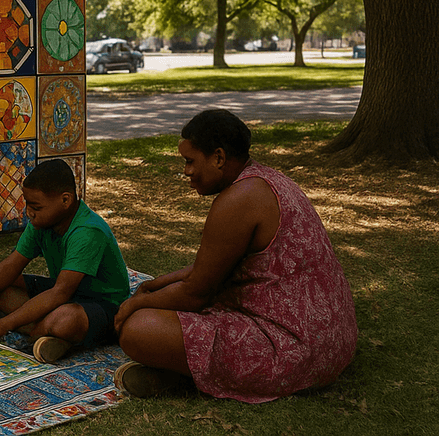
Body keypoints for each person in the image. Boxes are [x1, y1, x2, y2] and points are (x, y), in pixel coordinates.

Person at [113, 109, 357, 402]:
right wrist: (162, 282)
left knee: (138, 330)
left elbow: (195, 294)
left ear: (218, 157)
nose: (186, 171)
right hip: (333, 343)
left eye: (190, 161)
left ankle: (184, 379)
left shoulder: (238, 200)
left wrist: (137, 304)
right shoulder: (268, 180)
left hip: (293, 352)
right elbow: (216, 267)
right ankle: (182, 374)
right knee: (162, 305)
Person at [0, 159, 130, 363]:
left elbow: (61, 292)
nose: (29, 213)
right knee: (1, 289)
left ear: (66, 200)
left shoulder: (87, 231)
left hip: (103, 305)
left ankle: (44, 331)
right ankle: (46, 335)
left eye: (36, 207)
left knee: (64, 320)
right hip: (68, 295)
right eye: (27, 205)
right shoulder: (41, 223)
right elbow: (9, 267)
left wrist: (2, 325)